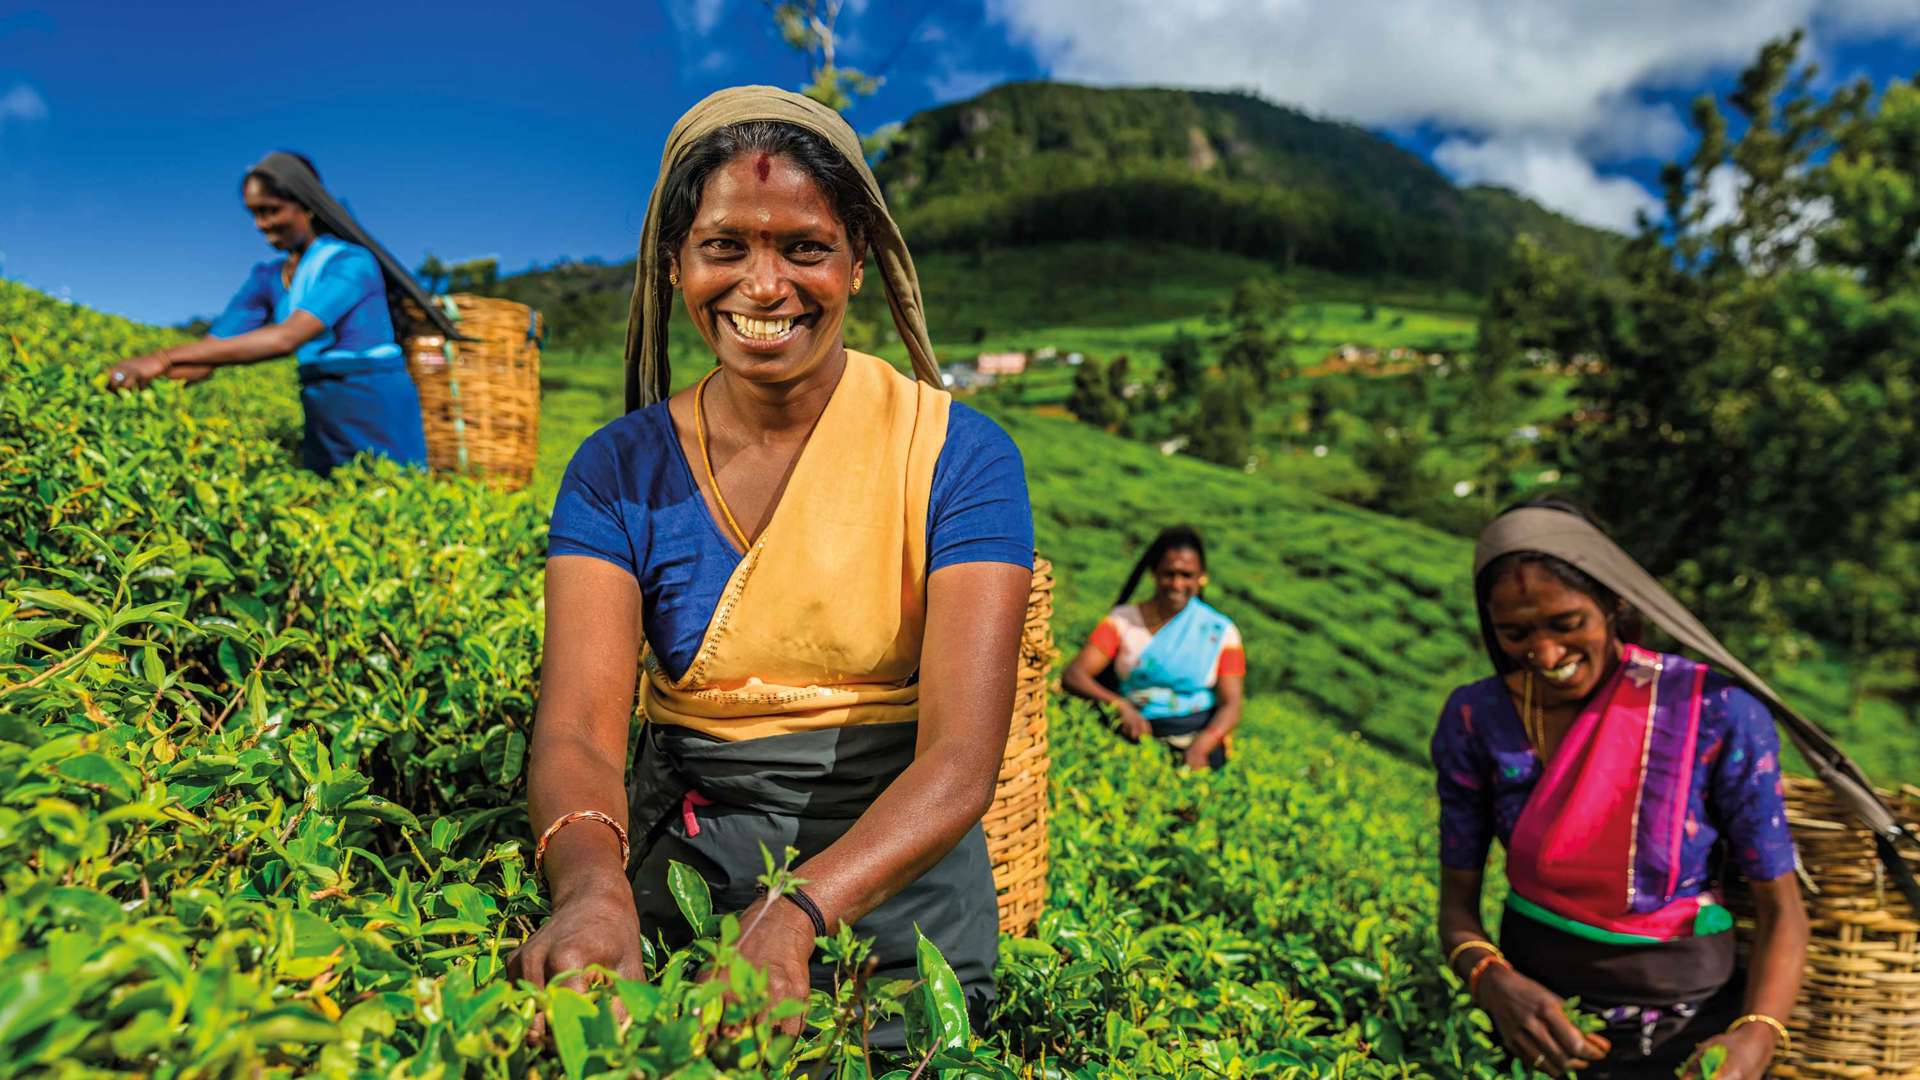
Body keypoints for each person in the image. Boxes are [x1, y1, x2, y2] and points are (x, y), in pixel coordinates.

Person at [505, 87, 1034, 1045]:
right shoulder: (617, 470)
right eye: (724, 248)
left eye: (805, 247)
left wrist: (796, 914)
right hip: (690, 871)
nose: (763, 286)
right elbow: (580, 728)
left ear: (858, 263)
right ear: (676, 265)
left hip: (896, 886)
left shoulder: (958, 456)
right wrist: (594, 892)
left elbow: (961, 758)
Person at [1432, 500, 1809, 1079]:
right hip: (1533, 1033)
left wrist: (1757, 1038)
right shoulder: (1475, 719)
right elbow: (1457, 907)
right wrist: (1494, 983)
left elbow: (1781, 909)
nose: (1547, 654)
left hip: (1688, 1040)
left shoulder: (1712, 713)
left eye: (1567, 624)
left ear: (1615, 603)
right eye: (1516, 633)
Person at [105, 152, 445, 476]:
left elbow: (287, 337)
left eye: (271, 210)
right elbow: (210, 354)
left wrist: (162, 358)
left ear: (307, 207)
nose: (260, 224)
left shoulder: (351, 263)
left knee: (391, 498)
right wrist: (141, 379)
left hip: (374, 406)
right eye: (254, 213)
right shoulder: (267, 278)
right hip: (322, 410)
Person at [1062, 525, 1246, 770]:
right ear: (1154, 574)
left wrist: (1201, 747)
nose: (1177, 583)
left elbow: (1231, 704)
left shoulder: (1220, 631)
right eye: (1169, 574)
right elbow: (1075, 675)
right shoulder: (1122, 621)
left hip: (1195, 739)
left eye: (1187, 575)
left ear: (1201, 576)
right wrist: (1120, 706)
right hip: (1130, 734)